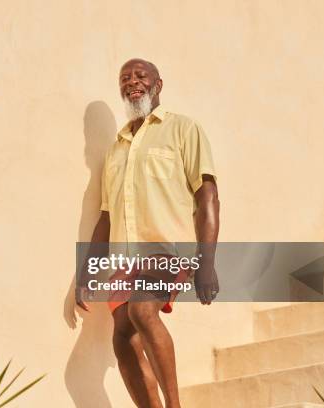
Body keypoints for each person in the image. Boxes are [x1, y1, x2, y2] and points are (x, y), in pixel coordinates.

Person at [76, 58, 220, 408]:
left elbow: (208, 196)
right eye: (125, 78)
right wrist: (86, 272)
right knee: (122, 335)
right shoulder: (115, 150)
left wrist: (207, 262)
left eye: (141, 76)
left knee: (142, 311)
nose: (132, 82)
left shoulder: (184, 129)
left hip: (169, 249)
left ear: (158, 84)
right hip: (126, 259)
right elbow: (106, 218)